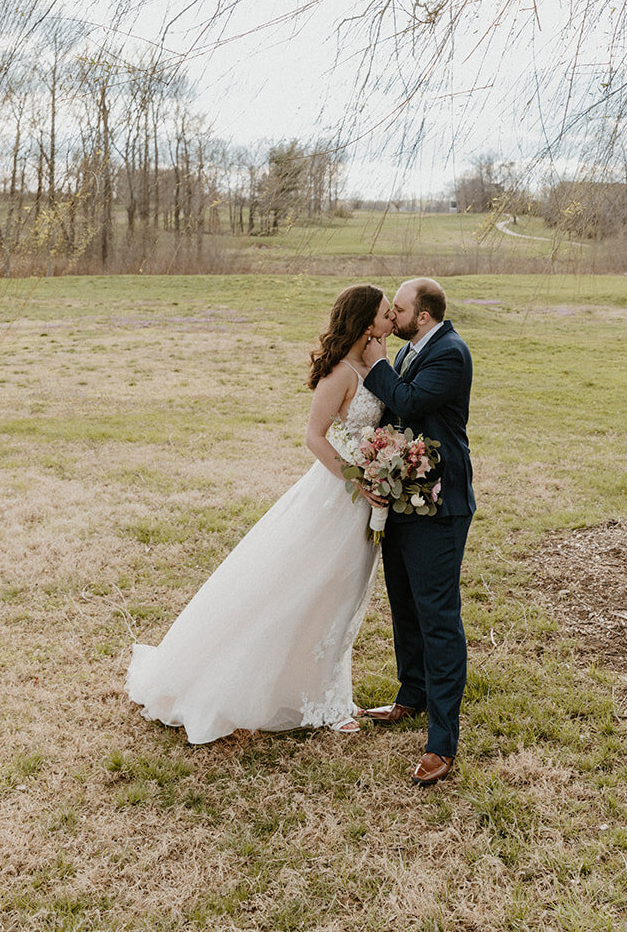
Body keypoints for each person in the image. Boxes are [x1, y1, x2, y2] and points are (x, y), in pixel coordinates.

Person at [126, 283, 392, 741]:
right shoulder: (343, 372)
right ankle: (311, 698)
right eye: (388, 313)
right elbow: (314, 436)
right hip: (336, 496)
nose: (393, 320)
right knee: (312, 590)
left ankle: (325, 690)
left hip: (360, 501)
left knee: (342, 595)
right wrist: (357, 479)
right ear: (368, 322)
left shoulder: (376, 365)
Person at [356, 277, 475, 787]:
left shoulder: (449, 353)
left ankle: (442, 742)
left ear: (420, 316)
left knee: (438, 617)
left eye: (397, 311)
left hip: (440, 505)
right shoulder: (410, 351)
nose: (391, 319)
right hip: (404, 496)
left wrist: (376, 361)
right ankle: (412, 694)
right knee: (404, 604)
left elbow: (406, 403)